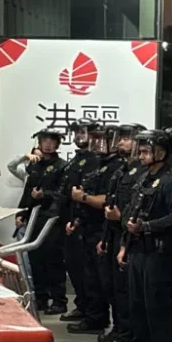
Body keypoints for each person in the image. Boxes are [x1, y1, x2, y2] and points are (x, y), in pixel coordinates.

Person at [113, 130, 172, 342]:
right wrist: (125, 244)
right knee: (137, 303)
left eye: (146, 151)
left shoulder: (171, 181)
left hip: (158, 252)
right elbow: (131, 211)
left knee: (158, 305)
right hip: (137, 250)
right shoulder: (142, 178)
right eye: (140, 151)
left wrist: (148, 227)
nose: (141, 155)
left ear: (161, 152)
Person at [98, 123, 146, 342]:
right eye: (120, 138)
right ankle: (119, 327)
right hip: (114, 234)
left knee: (126, 290)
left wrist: (120, 220)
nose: (119, 143)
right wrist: (105, 238)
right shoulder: (120, 170)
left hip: (131, 237)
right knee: (113, 287)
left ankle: (128, 332)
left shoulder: (142, 172)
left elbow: (136, 209)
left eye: (126, 138)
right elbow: (111, 204)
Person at [67, 123, 113, 334]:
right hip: (86, 225)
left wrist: (83, 198)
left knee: (103, 281)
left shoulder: (108, 165)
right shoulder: (98, 164)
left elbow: (105, 200)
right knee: (89, 277)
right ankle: (93, 317)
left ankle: (99, 319)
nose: (97, 144)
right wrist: (77, 218)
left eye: (100, 139)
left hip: (101, 228)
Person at [59, 119, 104, 324]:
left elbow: (89, 192)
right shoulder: (76, 159)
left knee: (89, 273)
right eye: (76, 133)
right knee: (75, 268)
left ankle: (92, 312)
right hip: (70, 219)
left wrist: (78, 219)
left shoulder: (95, 160)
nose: (79, 136)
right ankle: (82, 305)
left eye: (83, 132)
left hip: (87, 221)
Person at [19, 127, 68, 315]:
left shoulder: (62, 166)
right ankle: (40, 298)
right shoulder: (35, 165)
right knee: (35, 258)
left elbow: (63, 194)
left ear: (57, 144)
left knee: (53, 259)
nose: (48, 144)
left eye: (52, 141)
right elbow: (27, 191)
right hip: (34, 217)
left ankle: (58, 300)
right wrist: (21, 213)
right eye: (44, 140)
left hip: (53, 218)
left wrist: (45, 195)